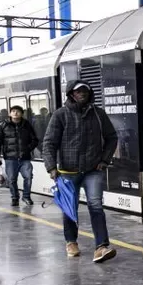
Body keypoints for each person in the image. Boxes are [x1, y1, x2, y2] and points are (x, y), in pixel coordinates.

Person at [42, 81, 119, 262]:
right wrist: (51, 167)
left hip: (93, 170)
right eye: (78, 91)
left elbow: (112, 137)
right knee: (70, 208)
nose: (82, 93)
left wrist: (104, 160)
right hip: (67, 172)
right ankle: (71, 242)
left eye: (85, 91)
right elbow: (49, 143)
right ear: (71, 94)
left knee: (96, 205)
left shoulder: (98, 114)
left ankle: (101, 247)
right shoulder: (60, 115)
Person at [0, 105, 39, 207]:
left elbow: (35, 140)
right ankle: (15, 198)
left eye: (18, 111)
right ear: (10, 113)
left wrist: (27, 149)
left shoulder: (26, 125)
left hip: (25, 158)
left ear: (22, 114)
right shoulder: (3, 125)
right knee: (12, 179)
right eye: (13, 111)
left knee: (28, 177)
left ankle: (26, 196)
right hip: (10, 158)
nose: (15, 113)